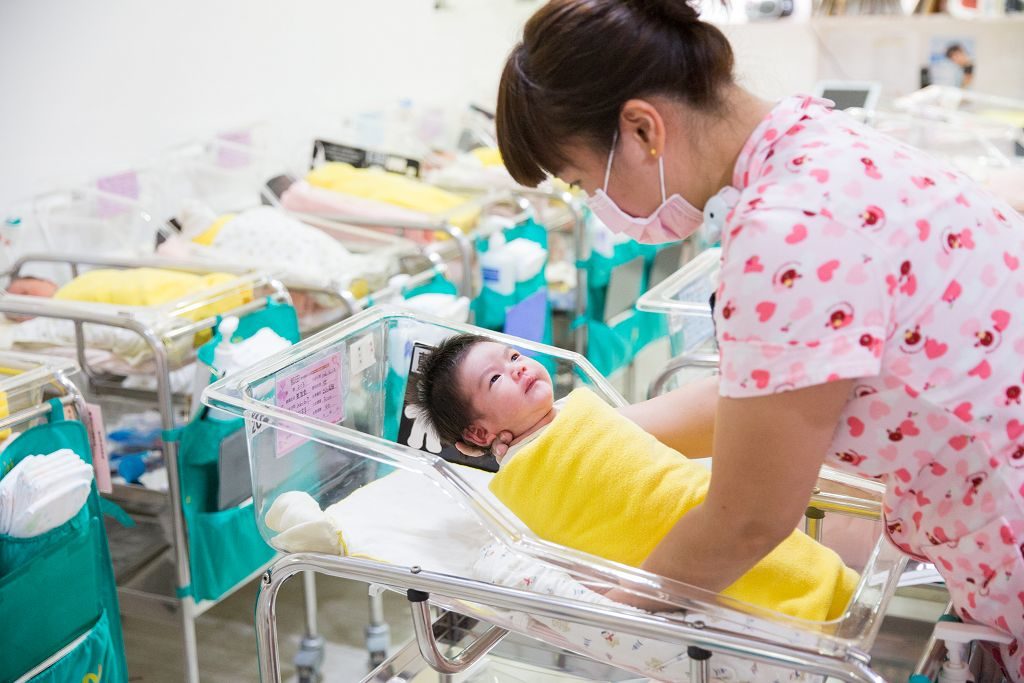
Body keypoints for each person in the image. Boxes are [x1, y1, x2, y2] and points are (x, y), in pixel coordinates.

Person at [484, 0, 1024, 675]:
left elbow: (747, 518)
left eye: (582, 179)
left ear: (642, 129)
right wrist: (577, 438)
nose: (596, 199)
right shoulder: (819, 141)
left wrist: (613, 609)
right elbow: (777, 393)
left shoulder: (784, 231)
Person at [413, 333, 859, 621]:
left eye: (513, 355)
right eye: (496, 378)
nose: (519, 367)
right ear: (479, 432)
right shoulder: (525, 477)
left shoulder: (578, 415)